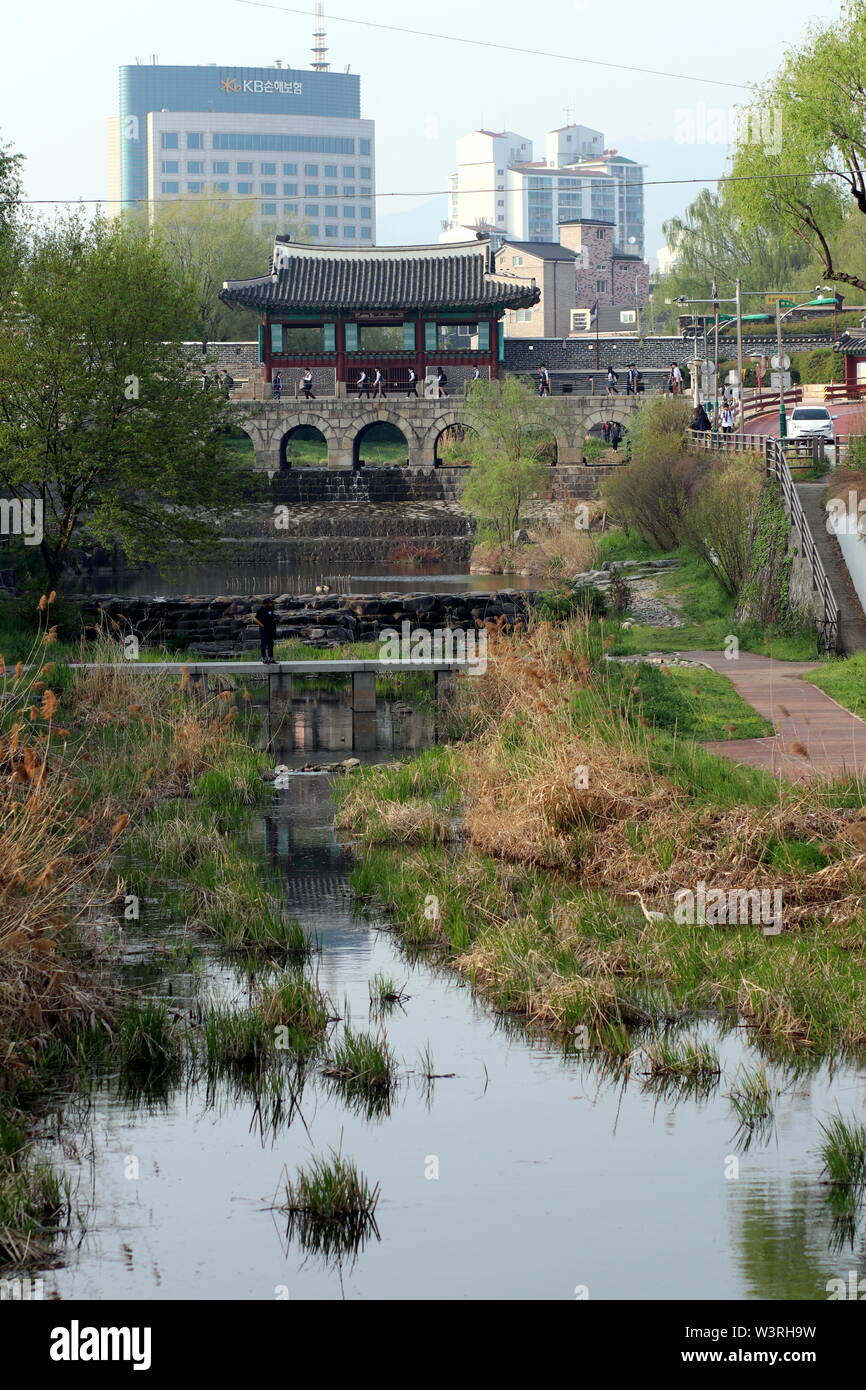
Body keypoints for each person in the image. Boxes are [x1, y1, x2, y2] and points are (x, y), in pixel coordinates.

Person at [254, 597, 278, 665]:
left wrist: (276, 618)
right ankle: (264, 658)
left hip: (271, 629)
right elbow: (255, 619)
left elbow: (271, 615)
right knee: (264, 644)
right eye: (270, 602)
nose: (271, 603)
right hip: (264, 629)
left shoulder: (271, 608)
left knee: (271, 644)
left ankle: (271, 658)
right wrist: (261, 624)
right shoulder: (260, 610)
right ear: (266, 603)